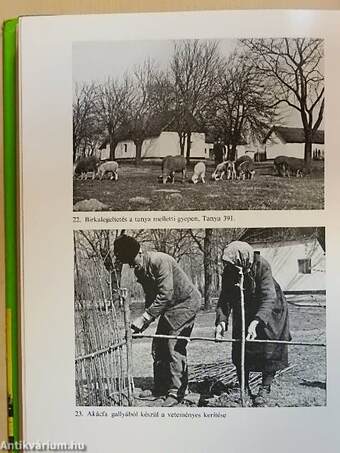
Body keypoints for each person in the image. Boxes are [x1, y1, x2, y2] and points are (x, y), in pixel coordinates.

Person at [113, 235, 201, 407]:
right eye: (128, 264)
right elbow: (151, 296)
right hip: (170, 307)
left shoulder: (160, 261)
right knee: (158, 345)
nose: (132, 266)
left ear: (140, 252)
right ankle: (162, 388)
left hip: (186, 303)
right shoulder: (140, 269)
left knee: (172, 346)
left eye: (133, 261)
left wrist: (145, 317)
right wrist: (143, 323)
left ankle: (177, 392)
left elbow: (165, 294)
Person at [215, 241, 291, 406]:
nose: (230, 267)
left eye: (233, 264)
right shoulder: (229, 270)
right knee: (241, 345)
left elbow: (268, 297)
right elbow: (224, 299)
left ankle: (265, 387)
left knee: (269, 346)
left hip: (271, 308)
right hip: (245, 309)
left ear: (242, 259)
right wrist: (221, 322)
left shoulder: (261, 265)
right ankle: (244, 387)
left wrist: (256, 322)